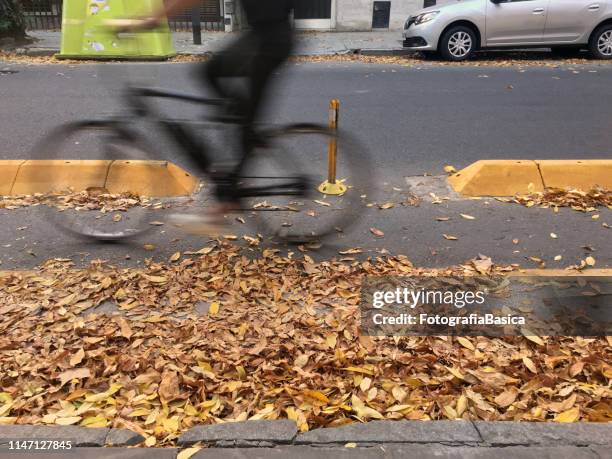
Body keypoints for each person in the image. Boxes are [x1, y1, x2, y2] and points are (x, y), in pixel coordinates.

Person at [136, 0, 295, 232]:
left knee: (217, 82)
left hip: (268, 40)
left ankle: (225, 203)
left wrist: (154, 17)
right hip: (267, 36)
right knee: (236, 109)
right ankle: (242, 123)